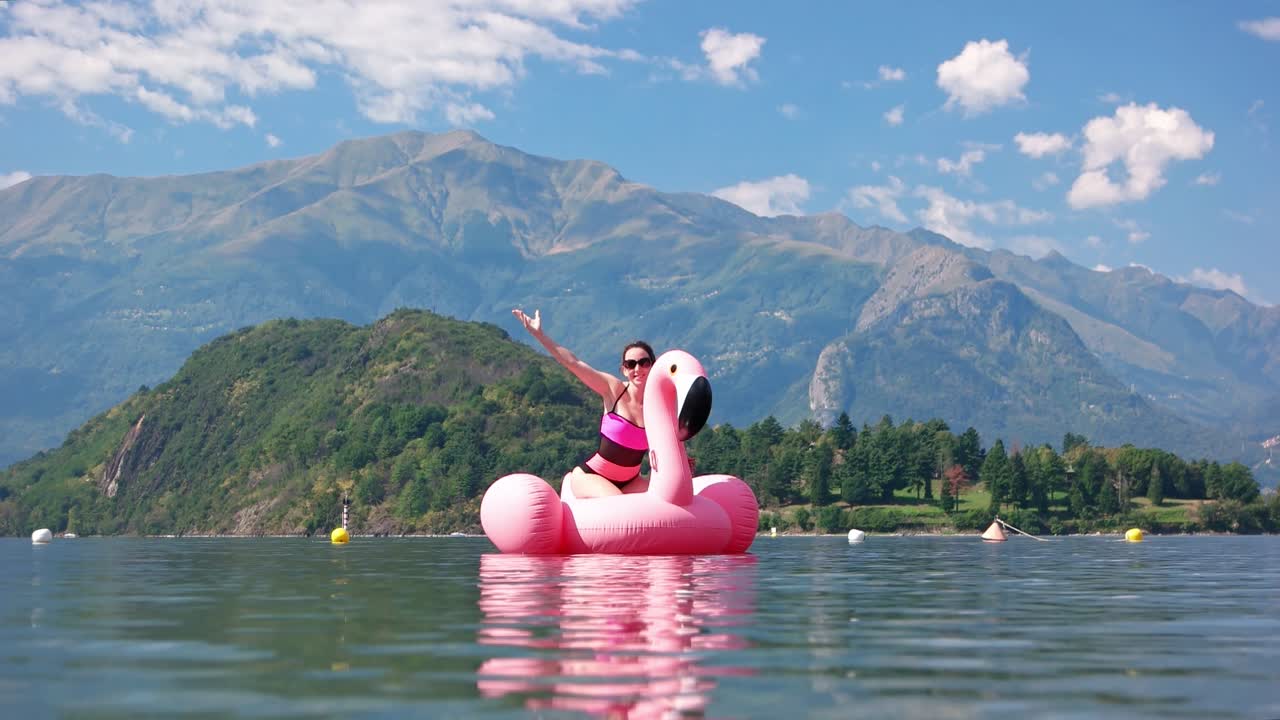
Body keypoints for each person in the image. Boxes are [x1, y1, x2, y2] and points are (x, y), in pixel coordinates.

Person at [512, 308, 693, 498]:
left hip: (632, 482)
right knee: (620, 505)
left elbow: (668, 442)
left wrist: (681, 460)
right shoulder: (613, 389)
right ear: (624, 370)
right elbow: (573, 363)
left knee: (671, 499)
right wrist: (539, 335)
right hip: (593, 476)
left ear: (653, 365)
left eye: (644, 362)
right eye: (631, 364)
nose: (637, 368)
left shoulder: (658, 406)